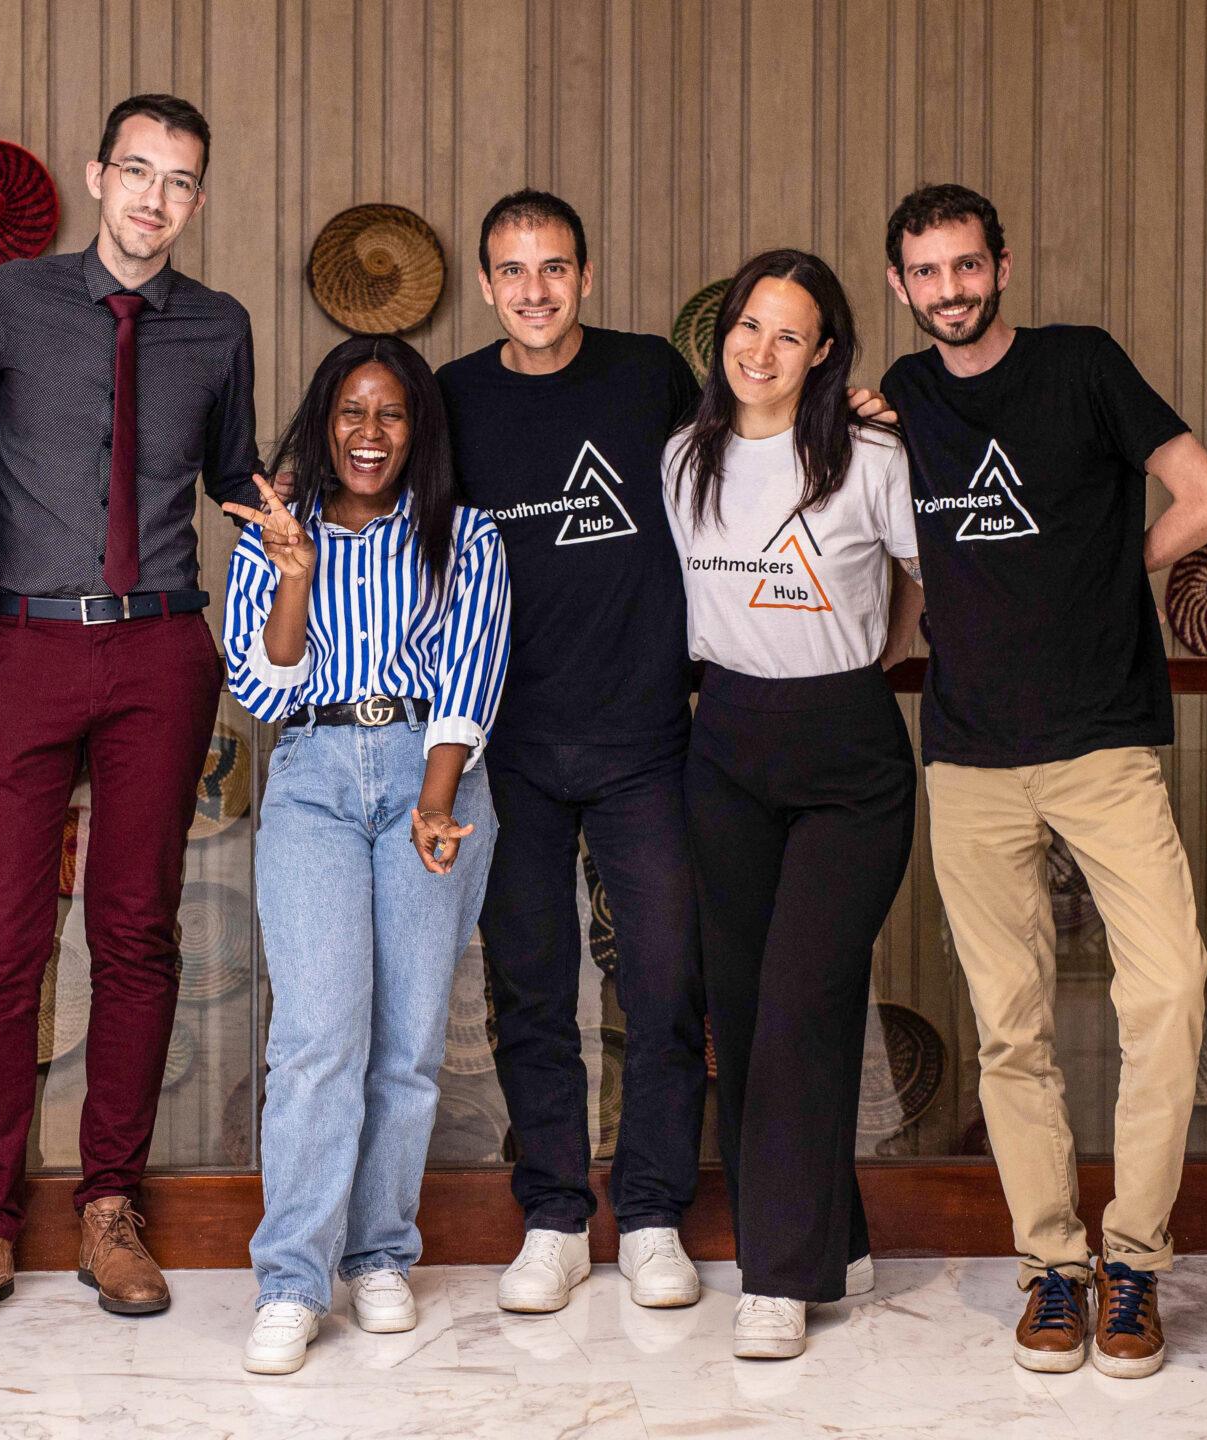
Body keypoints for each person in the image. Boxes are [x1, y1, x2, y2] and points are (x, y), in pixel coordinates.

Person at [880, 183, 1207, 1380]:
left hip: (1101, 747)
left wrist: (1109, 572)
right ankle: (1052, 1268)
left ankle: (1133, 1262)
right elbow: (901, 557)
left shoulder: (1083, 365)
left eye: (967, 266)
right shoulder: (902, 402)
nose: (950, 290)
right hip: (969, 757)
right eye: (927, 273)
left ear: (1003, 263)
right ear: (900, 286)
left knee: (1168, 997)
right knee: (1011, 1028)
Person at [0, 93, 260, 1330]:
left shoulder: (219, 326)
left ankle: (110, 1208)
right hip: (24, 648)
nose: (152, 200)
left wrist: (304, 503)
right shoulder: (11, 300)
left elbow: (231, 478)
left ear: (197, 201)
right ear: (96, 175)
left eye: (178, 182)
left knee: (136, 933)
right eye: (136, 172)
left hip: (162, 652)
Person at [433, 190, 710, 1312]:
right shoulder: (451, 398)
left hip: (649, 736)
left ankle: (649, 1214)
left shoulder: (650, 377)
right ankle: (552, 1212)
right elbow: (405, 534)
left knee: (663, 983)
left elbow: (745, 477)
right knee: (532, 988)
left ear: (585, 276)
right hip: (511, 742)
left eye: (553, 267)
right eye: (512, 269)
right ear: (487, 282)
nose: (534, 289)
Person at [219, 335, 512, 1375]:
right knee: (315, 1040)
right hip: (312, 776)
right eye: (352, 412)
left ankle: (380, 1253)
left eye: (391, 414)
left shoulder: (463, 534)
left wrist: (435, 804)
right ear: (323, 421)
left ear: (417, 429)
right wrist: (294, 574)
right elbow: (262, 692)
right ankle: (292, 1281)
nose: (370, 433)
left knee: (407, 1040)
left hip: (433, 770)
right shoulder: (272, 537)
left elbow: (471, 676)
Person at [663, 249, 923, 1360]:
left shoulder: (869, 454)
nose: (759, 351)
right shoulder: (682, 455)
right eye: (746, 326)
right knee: (744, 1008)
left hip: (847, 758)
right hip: (723, 745)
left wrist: (879, 657)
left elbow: (929, 575)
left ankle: (775, 1276)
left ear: (824, 353)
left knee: (804, 1005)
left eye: (788, 334)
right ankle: (836, 1240)